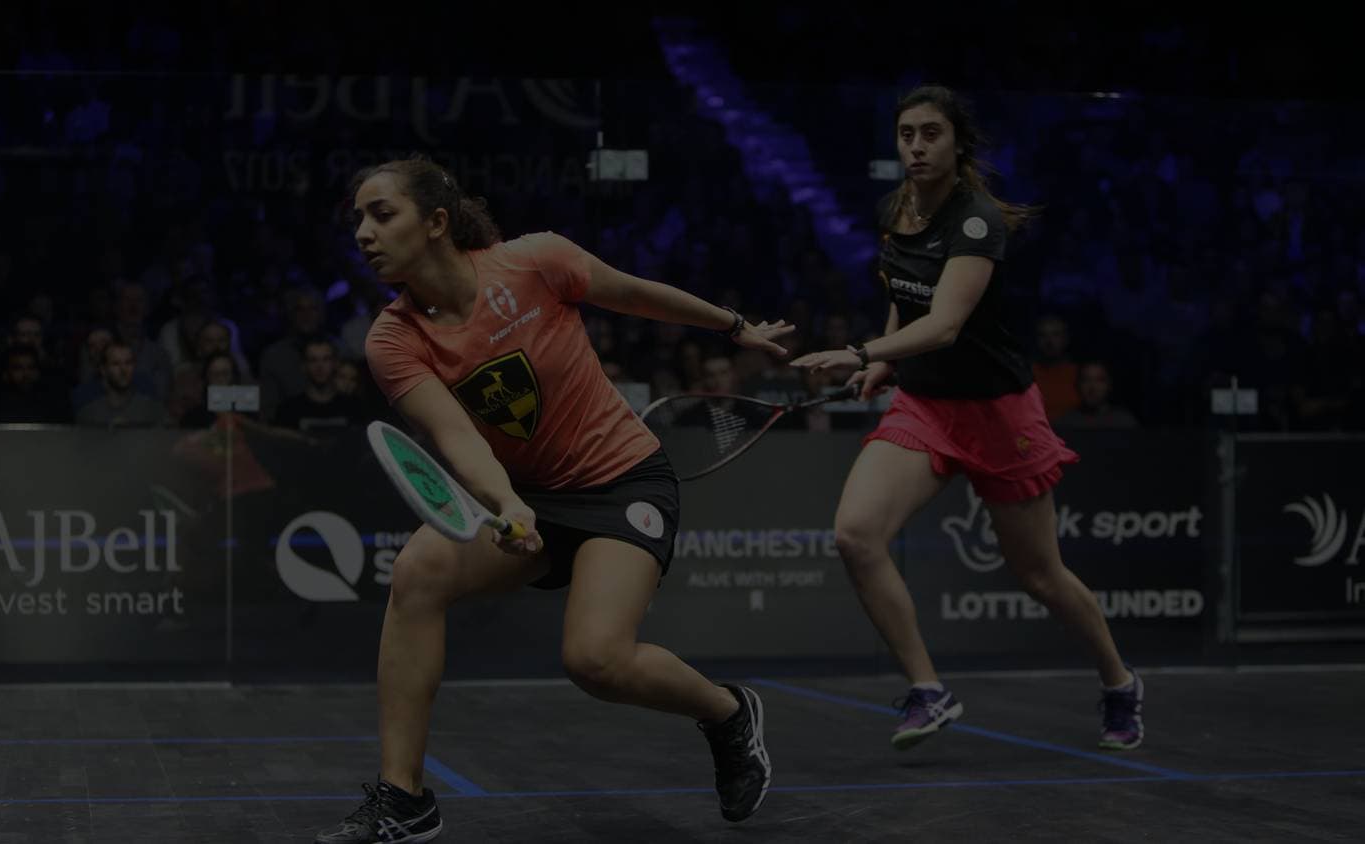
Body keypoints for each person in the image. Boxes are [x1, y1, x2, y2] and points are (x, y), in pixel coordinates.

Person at [314, 156, 790, 844]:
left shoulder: (534, 261)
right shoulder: (393, 339)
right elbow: (457, 438)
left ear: (438, 222)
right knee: (417, 574)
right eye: (357, 218)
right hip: (527, 496)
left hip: (622, 481)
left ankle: (726, 713)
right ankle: (405, 797)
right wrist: (507, 505)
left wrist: (733, 325)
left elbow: (632, 293)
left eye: (381, 214)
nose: (363, 232)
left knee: (596, 661)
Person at [791, 85, 1143, 754]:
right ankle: (929, 691)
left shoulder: (977, 220)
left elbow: (947, 323)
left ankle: (1119, 681)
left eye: (930, 134)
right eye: (905, 135)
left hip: (999, 414)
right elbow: (905, 299)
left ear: (958, 145)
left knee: (1040, 576)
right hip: (926, 407)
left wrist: (861, 352)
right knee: (855, 535)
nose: (916, 147)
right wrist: (886, 364)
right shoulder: (895, 209)